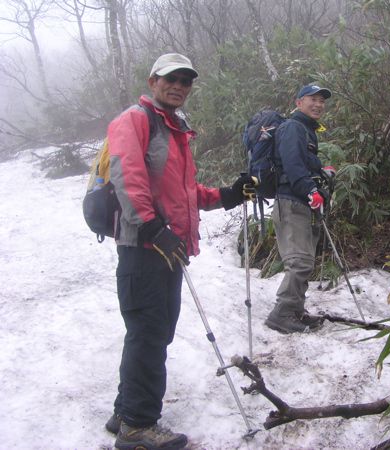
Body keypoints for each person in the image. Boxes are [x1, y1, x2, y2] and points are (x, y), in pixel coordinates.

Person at [103, 53, 254, 450]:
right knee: (149, 332)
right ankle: (137, 426)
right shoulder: (134, 120)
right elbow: (127, 178)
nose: (179, 86)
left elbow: (185, 194)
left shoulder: (175, 129)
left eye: (186, 81)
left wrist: (228, 195)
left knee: (151, 332)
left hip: (168, 249)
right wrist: (155, 229)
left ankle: (125, 411)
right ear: (153, 80)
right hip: (144, 248)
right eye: (171, 79)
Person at [264, 84, 335, 334]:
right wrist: (310, 190)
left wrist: (320, 172)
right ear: (298, 102)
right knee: (300, 260)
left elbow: (302, 163)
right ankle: (281, 313)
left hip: (301, 202)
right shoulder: (293, 127)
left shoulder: (305, 130)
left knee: (305, 258)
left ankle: (296, 310)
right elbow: (293, 165)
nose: (318, 104)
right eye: (312, 99)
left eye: (321, 101)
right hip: (292, 201)